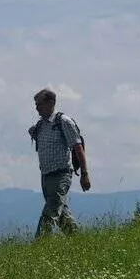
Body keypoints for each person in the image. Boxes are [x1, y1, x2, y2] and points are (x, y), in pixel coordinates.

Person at [30, 88, 91, 238]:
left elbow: (78, 148)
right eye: (36, 105)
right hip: (45, 176)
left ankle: (40, 244)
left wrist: (84, 174)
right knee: (62, 214)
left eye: (39, 104)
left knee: (50, 212)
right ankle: (78, 241)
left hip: (60, 175)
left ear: (51, 102)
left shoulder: (64, 122)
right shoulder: (41, 125)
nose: (37, 108)